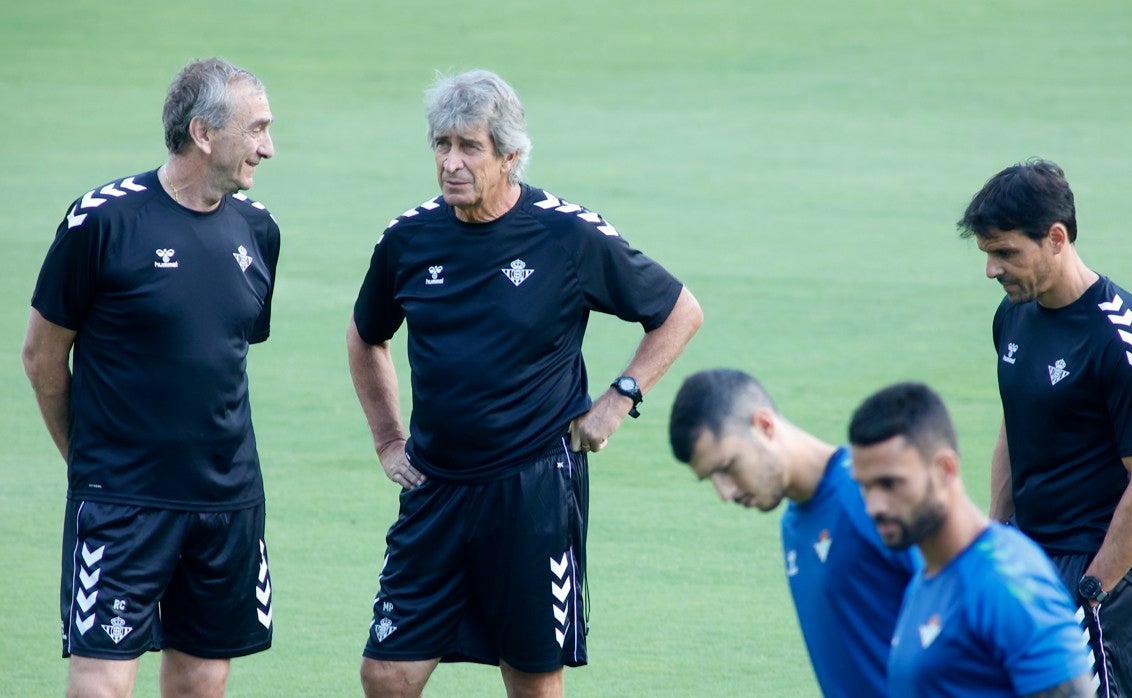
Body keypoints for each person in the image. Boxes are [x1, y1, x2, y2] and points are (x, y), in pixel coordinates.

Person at [347, 68, 703, 697]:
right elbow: (366, 334)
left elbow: (678, 311)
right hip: (435, 488)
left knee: (532, 679)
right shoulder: (408, 239)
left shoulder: (566, 235)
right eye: (441, 146)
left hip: (533, 490)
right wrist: (387, 440)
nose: (451, 163)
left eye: (469, 147)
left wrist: (618, 401)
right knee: (386, 673)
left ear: (510, 156)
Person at [21, 57, 279, 698]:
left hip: (226, 500)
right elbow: (42, 355)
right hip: (122, 499)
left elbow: (221, 357)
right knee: (101, 684)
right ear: (203, 132)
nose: (268, 148)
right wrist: (87, 459)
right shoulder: (103, 222)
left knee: (202, 680)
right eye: (256, 129)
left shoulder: (259, 229)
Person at [957, 159, 1132, 697]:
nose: (992, 269)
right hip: (1028, 556)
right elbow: (1015, 423)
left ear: (1056, 238)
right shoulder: (1012, 315)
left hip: (1094, 564)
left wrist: (1093, 589)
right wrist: (997, 531)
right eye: (987, 254)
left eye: (1005, 252)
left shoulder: (1121, 337)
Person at [667, 368, 919, 698]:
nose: (724, 493)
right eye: (710, 479)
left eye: (727, 467)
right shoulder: (793, 527)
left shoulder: (868, 497)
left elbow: (967, 611)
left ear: (765, 426)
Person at [848, 382, 1094, 698]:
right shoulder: (928, 575)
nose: (874, 506)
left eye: (890, 483)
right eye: (865, 487)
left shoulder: (1006, 579)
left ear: (945, 469)